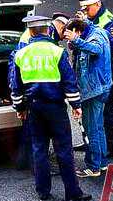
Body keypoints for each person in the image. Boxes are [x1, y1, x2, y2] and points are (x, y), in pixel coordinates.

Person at [10, 16, 91, 201]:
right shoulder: (57, 52)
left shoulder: (21, 54)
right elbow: (69, 82)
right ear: (47, 31)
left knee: (39, 149)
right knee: (63, 150)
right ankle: (72, 192)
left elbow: (16, 87)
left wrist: (20, 108)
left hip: (34, 108)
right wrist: (76, 105)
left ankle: (43, 191)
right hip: (55, 108)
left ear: (30, 32)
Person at [8, 12, 70, 170]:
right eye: (65, 32)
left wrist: (19, 104)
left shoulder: (38, 38)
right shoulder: (42, 44)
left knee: (35, 138)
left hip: (33, 98)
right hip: (44, 98)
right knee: (39, 138)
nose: (65, 37)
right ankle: (30, 164)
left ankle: (34, 170)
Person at [64, 17, 113, 178]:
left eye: (70, 36)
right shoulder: (94, 31)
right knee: (98, 127)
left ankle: (93, 167)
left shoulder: (94, 37)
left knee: (91, 128)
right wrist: (75, 43)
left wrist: (76, 41)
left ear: (77, 31)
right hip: (100, 88)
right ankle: (102, 162)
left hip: (94, 91)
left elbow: (96, 49)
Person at [75, 0, 113, 159]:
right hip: (87, 68)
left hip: (103, 69)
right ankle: (90, 142)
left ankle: (109, 145)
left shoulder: (109, 21)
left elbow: (108, 43)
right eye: (83, 10)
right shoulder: (90, 19)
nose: (84, 12)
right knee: (87, 107)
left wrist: (87, 27)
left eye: (87, 9)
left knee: (105, 109)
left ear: (97, 4)